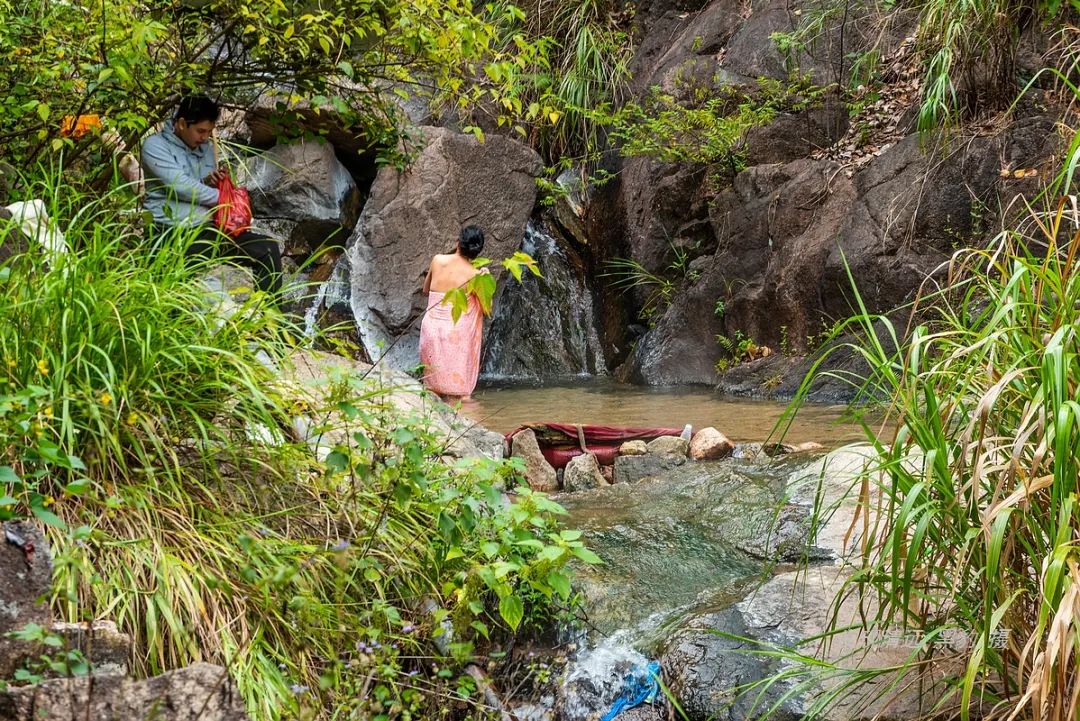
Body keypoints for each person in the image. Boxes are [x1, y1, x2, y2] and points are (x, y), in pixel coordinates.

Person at [141, 95, 281, 295]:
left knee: (267, 249)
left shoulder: (204, 147)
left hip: (207, 231)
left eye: (209, 132)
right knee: (205, 300)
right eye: (200, 131)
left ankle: (270, 319)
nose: (205, 137)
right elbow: (180, 186)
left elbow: (196, 186)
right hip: (171, 234)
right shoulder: (154, 146)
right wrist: (226, 200)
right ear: (181, 124)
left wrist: (211, 182)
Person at [419, 226, 490, 401]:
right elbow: (486, 308)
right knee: (460, 396)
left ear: (458, 243)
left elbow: (426, 290)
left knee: (431, 389)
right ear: (477, 252)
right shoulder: (475, 275)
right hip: (456, 333)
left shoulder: (437, 260)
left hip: (432, 328)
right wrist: (485, 280)